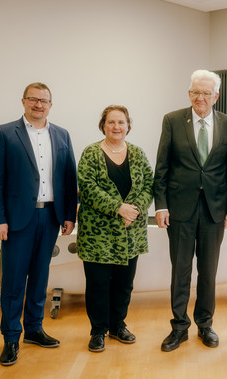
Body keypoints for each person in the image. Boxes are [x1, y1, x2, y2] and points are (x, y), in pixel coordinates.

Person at [0, 82, 77, 366]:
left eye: (44, 100)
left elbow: (69, 177)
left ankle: (34, 330)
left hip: (50, 216)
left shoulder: (62, 134)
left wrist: (69, 215)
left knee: (40, 277)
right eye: (33, 100)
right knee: (14, 280)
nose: (39, 105)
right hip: (16, 220)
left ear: (51, 104)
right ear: (23, 101)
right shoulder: (4, 133)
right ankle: (11, 337)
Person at [153, 69, 227, 352]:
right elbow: (162, 166)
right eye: (195, 92)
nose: (200, 97)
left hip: (215, 210)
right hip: (179, 209)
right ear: (189, 93)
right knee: (180, 271)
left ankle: (205, 324)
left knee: (208, 271)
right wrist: (161, 205)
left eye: (205, 93)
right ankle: (179, 327)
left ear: (216, 96)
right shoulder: (173, 120)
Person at [76, 105, 153, 353]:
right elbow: (87, 188)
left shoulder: (138, 154)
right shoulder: (90, 153)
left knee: (124, 283)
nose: (116, 127)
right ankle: (98, 331)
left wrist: (135, 210)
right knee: (98, 284)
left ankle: (117, 325)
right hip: (99, 233)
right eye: (111, 122)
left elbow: (149, 185)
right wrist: (119, 208)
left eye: (121, 122)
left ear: (128, 125)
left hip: (131, 231)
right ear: (103, 125)